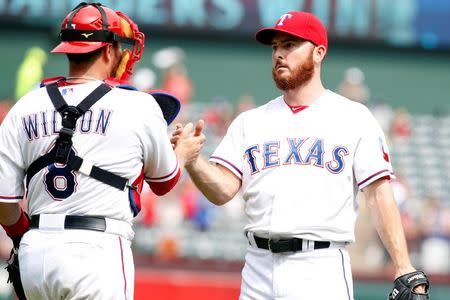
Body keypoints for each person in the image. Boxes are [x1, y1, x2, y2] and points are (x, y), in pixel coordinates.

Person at [172, 11, 429, 300]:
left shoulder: (354, 117)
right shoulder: (250, 121)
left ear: (319, 52)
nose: (280, 54)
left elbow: (378, 194)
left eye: (290, 45)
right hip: (258, 266)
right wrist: (194, 161)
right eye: (275, 47)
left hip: (320, 267)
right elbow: (222, 190)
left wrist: (403, 265)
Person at [0, 2, 201, 299]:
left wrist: (22, 237)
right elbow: (164, 182)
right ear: (108, 50)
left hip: (36, 253)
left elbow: (5, 204)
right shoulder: (137, 105)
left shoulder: (25, 106)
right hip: (96, 250)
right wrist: (183, 152)